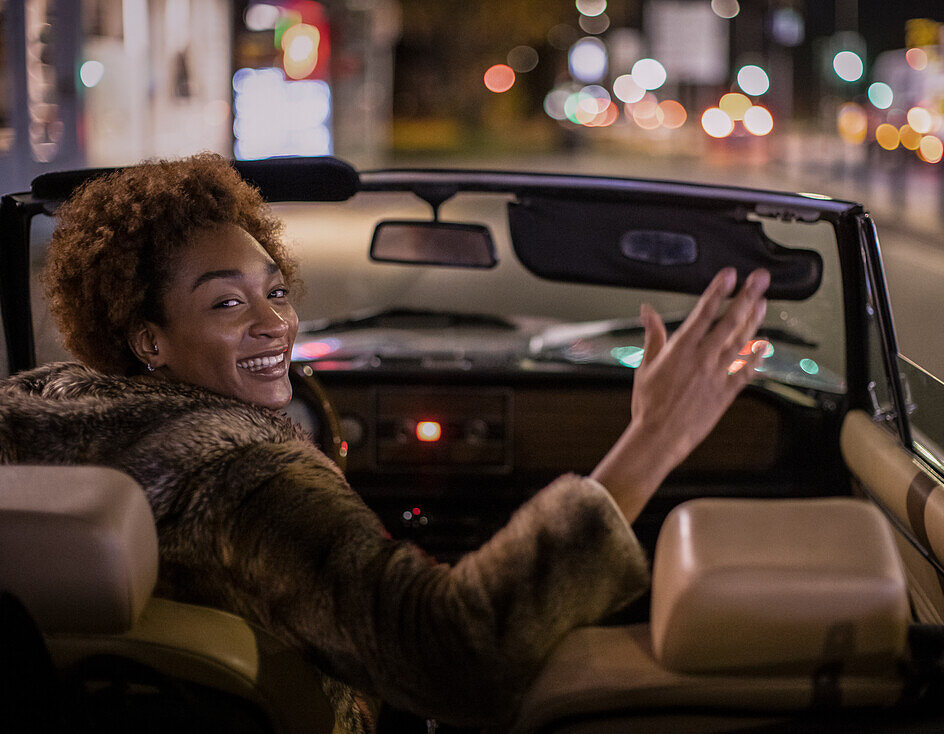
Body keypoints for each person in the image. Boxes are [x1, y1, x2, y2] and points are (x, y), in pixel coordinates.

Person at [0, 154, 769, 732]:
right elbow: (455, 652)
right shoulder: (238, 475)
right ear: (148, 339)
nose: (274, 324)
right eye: (227, 303)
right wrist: (653, 439)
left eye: (275, 291)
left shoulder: (30, 414)